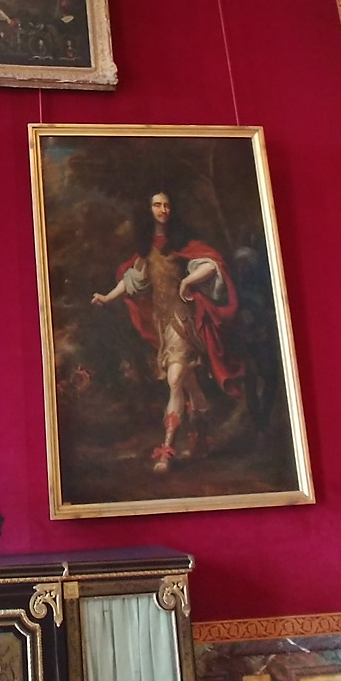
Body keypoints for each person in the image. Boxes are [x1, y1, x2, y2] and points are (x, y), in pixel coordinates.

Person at [91, 191, 243, 473]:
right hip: (163, 323)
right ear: (149, 209)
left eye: (167, 205)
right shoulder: (146, 250)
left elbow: (212, 264)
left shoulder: (182, 244)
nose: (163, 209)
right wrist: (107, 297)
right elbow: (132, 281)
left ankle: (166, 450)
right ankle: (200, 437)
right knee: (189, 383)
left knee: (174, 380)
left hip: (184, 321)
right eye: (157, 205)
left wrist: (187, 282)